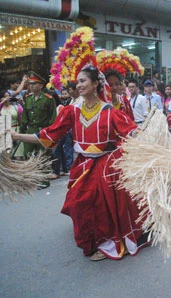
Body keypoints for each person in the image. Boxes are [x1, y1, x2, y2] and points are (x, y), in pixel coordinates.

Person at [12, 65, 151, 261]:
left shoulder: (110, 112)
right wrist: (18, 136)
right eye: (77, 82)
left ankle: (106, 240)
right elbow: (50, 134)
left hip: (106, 167)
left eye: (83, 81)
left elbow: (132, 132)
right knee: (79, 203)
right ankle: (95, 240)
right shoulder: (72, 111)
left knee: (104, 208)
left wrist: (151, 134)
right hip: (82, 165)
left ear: (95, 84)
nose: (79, 85)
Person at [0, 90, 24, 159]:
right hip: (5, 133)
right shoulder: (1, 108)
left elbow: (22, 119)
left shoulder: (16, 107)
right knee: (7, 156)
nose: (7, 98)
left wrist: (21, 103)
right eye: (5, 96)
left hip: (16, 130)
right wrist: (2, 102)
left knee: (18, 155)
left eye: (8, 96)